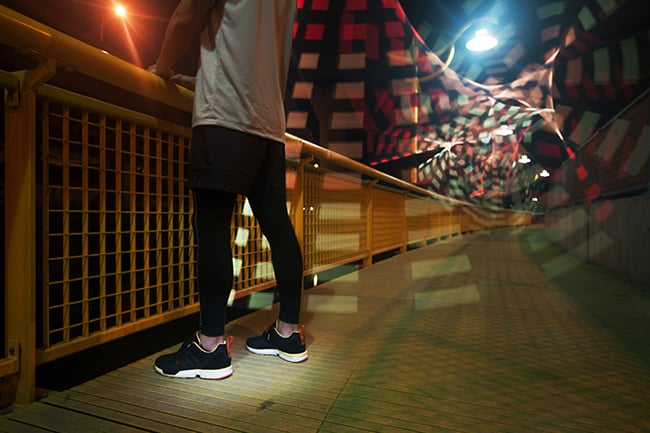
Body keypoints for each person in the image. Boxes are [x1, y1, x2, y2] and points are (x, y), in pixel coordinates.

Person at [149, 0, 307, 380]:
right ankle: (288, 332)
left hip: (225, 116)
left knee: (213, 225)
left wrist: (163, 67)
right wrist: (204, 77)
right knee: (278, 226)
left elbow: (187, 16)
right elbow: (252, 46)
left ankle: (210, 346)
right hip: (269, 123)